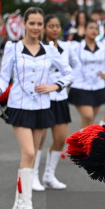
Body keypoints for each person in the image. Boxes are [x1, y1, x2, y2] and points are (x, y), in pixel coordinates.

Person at [0, 8, 73, 209]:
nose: (35, 28)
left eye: (39, 24)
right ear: (24, 24)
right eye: (32, 23)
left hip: (43, 106)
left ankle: (18, 207)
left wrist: (54, 86)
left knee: (32, 156)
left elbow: (69, 73)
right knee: (28, 152)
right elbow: (4, 77)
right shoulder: (13, 47)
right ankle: (27, 207)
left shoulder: (50, 49)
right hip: (19, 105)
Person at [33, 15, 75, 190]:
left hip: (60, 97)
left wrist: (61, 85)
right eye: (51, 26)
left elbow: (73, 68)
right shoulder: (37, 47)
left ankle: (49, 175)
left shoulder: (66, 47)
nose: (55, 29)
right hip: (43, 98)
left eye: (57, 26)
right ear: (44, 28)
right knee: (39, 140)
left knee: (61, 138)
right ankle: (33, 175)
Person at [67, 19, 105, 129]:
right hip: (80, 86)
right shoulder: (76, 47)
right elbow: (65, 61)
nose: (94, 31)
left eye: (96, 29)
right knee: (88, 115)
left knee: (91, 121)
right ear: (85, 30)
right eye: (91, 28)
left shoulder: (103, 47)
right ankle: (80, 143)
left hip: (98, 86)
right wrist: (69, 75)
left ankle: (85, 144)